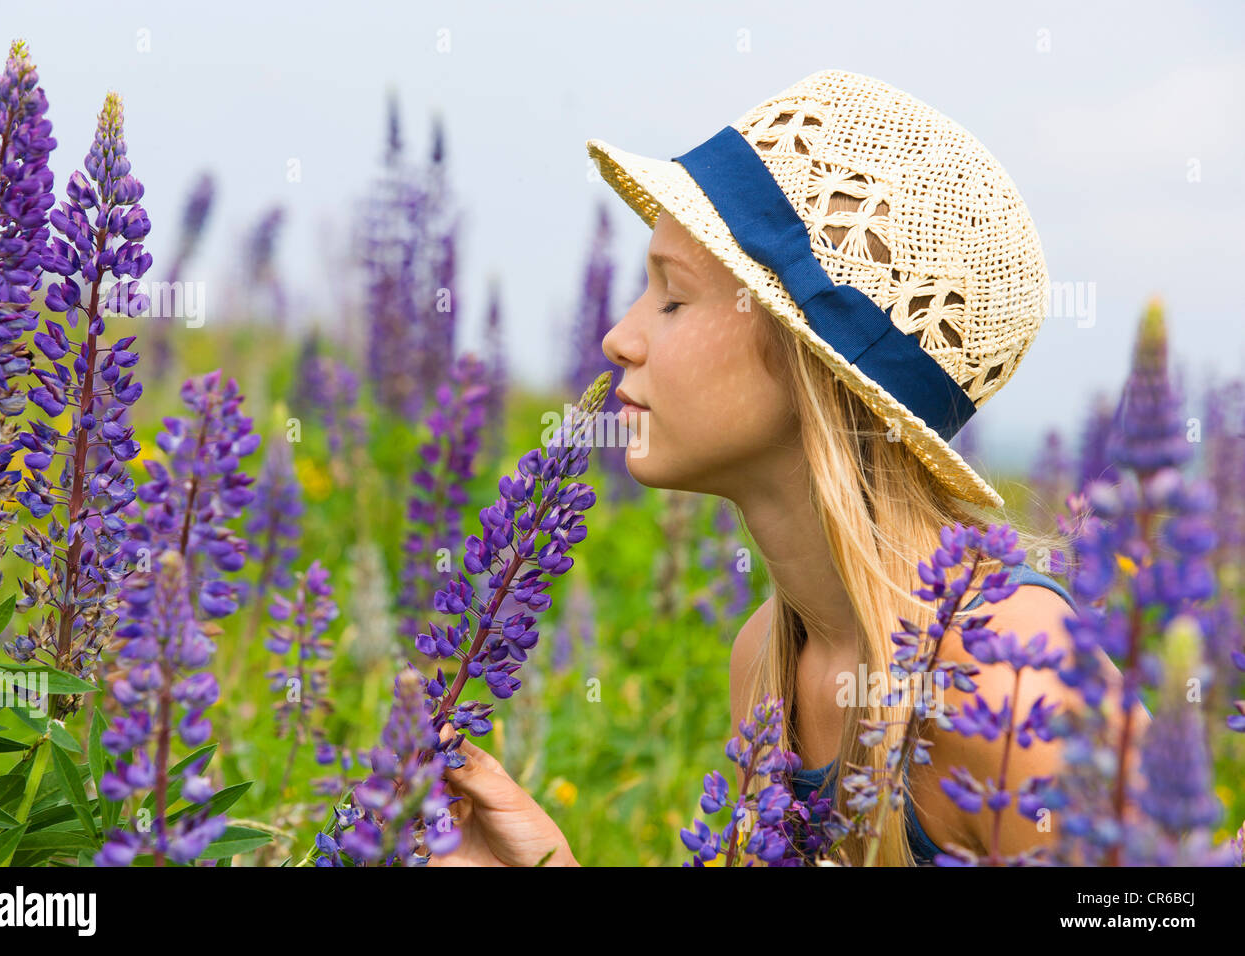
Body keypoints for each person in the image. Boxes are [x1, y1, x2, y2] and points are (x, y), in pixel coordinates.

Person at [428, 69, 1149, 867]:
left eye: (672, 298)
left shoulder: (1017, 675)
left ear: (811, 358)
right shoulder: (770, 656)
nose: (619, 338)